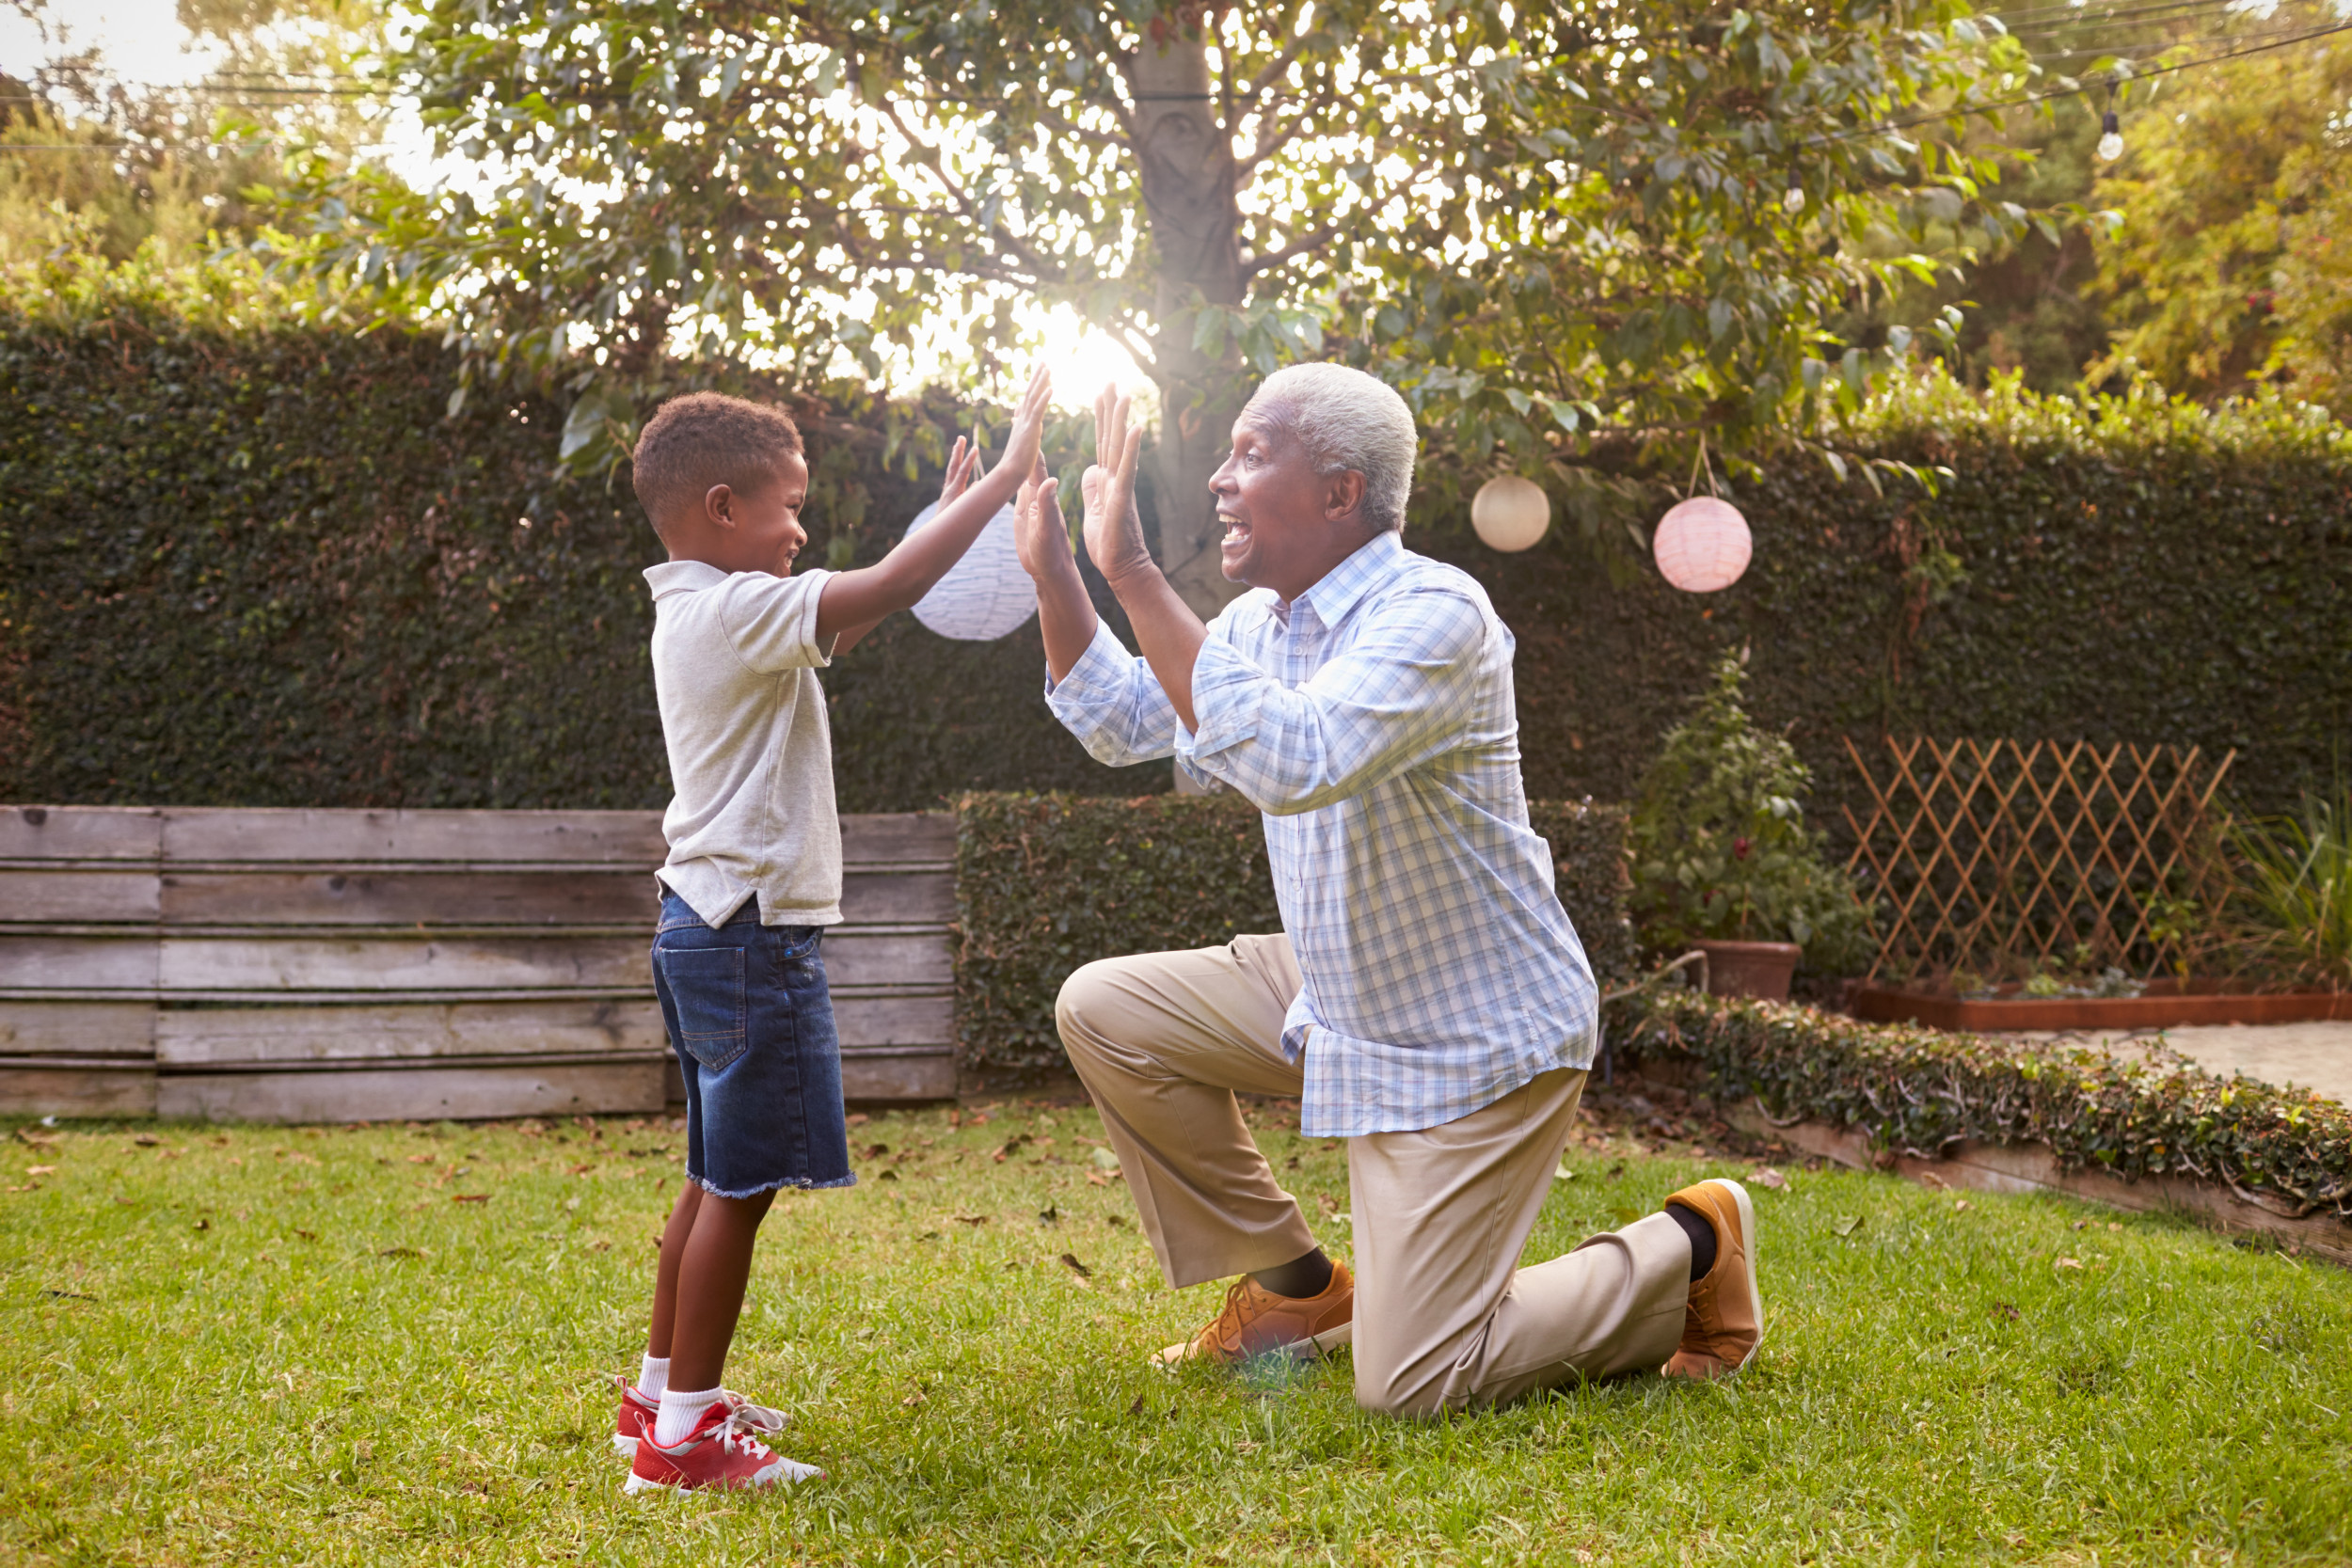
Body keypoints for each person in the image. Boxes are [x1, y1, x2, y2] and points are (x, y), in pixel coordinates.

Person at [1007, 365, 1762, 1417]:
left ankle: (1688, 1246)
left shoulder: (1437, 613)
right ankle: (1298, 1292)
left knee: (1413, 1382)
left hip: (1471, 1034)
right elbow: (1120, 720)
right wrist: (1057, 576)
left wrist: (1131, 566)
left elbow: (1292, 757)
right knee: (1106, 1007)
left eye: (1251, 452)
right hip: (1338, 983)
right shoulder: (1253, 627)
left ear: (1339, 491)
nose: (1221, 480)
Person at [617, 369, 1053, 1492]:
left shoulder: (704, 611)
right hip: (751, 931)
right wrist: (1002, 481)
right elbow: (883, 581)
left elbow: (862, 610)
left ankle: (658, 1394)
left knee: (712, 1171)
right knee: (741, 1183)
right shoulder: (734, 608)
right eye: (787, 505)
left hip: (704, 920)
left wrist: (940, 525)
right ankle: (685, 1438)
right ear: (721, 508)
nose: (801, 526)